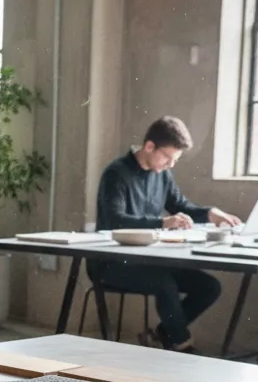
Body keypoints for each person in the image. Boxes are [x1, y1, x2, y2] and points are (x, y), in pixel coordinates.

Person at [93, 116, 241, 352]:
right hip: (112, 262)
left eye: (175, 160)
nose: (170, 165)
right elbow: (114, 221)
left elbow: (180, 205)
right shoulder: (117, 173)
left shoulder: (162, 174)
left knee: (209, 287)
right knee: (164, 283)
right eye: (168, 158)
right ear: (150, 147)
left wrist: (212, 214)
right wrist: (163, 222)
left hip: (148, 260)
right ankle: (182, 345)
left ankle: (166, 333)